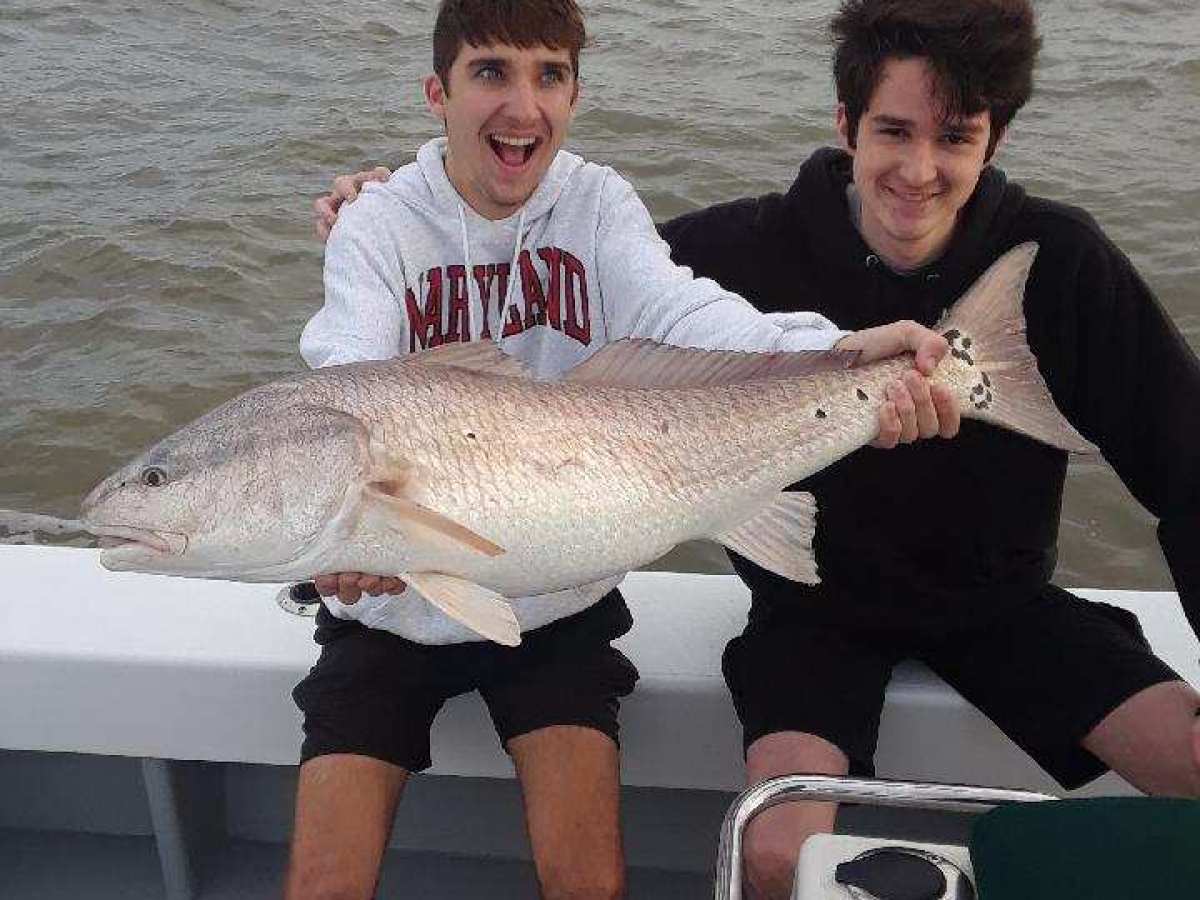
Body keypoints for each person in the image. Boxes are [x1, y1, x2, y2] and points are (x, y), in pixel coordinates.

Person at [317, 1, 1200, 896]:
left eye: (956, 139)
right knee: (774, 854)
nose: (919, 170)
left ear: (994, 138)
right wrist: (400, 198)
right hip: (815, 615)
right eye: (892, 131)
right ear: (846, 125)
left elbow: (1190, 469)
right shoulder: (740, 246)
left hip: (1005, 605)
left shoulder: (1062, 260)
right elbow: (613, 288)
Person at [289, 2, 956, 898]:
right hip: (392, 614)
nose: (523, 106)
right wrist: (351, 535)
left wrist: (839, 349)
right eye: (491, 72)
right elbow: (349, 380)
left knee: (589, 886)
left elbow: (688, 316)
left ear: (574, 94)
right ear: (435, 93)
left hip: (557, 601)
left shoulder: (597, 204)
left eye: (549, 76)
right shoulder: (376, 226)